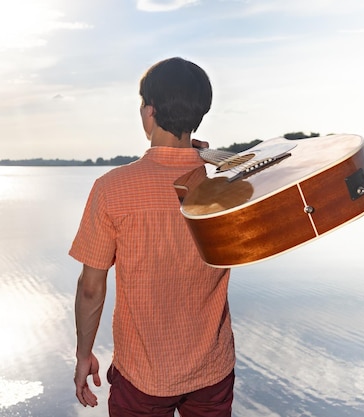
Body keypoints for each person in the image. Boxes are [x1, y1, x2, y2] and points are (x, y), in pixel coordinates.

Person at [70, 57, 235, 416]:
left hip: (143, 375)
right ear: (199, 114)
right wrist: (204, 156)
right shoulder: (224, 186)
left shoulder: (112, 189)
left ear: (149, 112)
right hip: (213, 369)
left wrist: (84, 355)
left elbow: (91, 288)